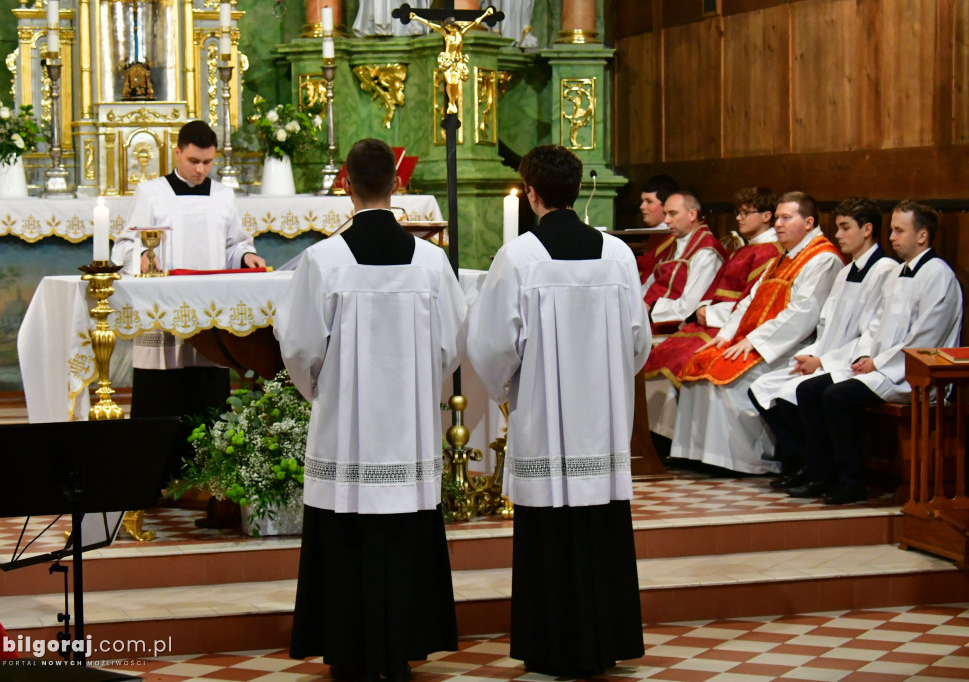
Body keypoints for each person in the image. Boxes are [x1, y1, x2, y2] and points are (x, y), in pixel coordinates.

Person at [279, 139, 466, 681]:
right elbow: (452, 344)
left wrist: (323, 392)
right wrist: (415, 386)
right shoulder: (431, 262)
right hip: (409, 428)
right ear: (398, 184)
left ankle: (348, 650)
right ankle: (403, 644)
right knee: (405, 530)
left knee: (347, 529)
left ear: (345, 184)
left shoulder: (324, 260)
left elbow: (299, 347)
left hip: (346, 431)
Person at [467, 144, 650, 677]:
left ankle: (552, 646)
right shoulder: (617, 254)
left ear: (531, 193)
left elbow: (492, 345)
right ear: (577, 188)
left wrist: (508, 393)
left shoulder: (520, 257)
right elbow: (638, 341)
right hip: (604, 424)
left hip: (545, 420)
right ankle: (605, 641)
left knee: (549, 530)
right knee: (601, 527)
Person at [111, 120, 265, 477]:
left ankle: (209, 480)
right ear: (177, 152)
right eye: (194, 160)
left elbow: (235, 244)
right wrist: (141, 257)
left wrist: (246, 257)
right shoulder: (151, 193)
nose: (200, 169)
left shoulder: (223, 196)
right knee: (161, 396)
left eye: (208, 162)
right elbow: (124, 245)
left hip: (209, 313)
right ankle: (151, 478)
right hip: (163, 314)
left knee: (207, 394)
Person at [787, 201, 963, 504]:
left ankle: (851, 482)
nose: (891, 237)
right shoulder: (897, 274)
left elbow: (926, 338)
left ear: (922, 236)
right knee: (810, 389)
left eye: (899, 231)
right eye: (892, 230)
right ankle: (821, 475)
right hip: (882, 368)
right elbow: (875, 326)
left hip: (914, 375)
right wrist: (864, 357)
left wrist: (878, 363)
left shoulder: (938, 275)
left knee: (836, 396)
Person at [671, 192, 843, 474]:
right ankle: (700, 453)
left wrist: (754, 341)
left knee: (725, 377)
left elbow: (802, 314)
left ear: (809, 222)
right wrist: (726, 334)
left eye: (786, 218)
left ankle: (742, 460)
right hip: (761, 340)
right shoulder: (784, 256)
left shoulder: (822, 258)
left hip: (790, 347)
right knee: (700, 363)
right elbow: (750, 300)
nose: (778, 224)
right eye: (778, 218)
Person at [748, 198, 898, 490]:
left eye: (845, 227)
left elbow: (873, 333)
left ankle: (820, 471)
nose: (838, 235)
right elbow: (826, 325)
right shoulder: (846, 271)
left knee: (805, 392)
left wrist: (824, 362)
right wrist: (811, 355)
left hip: (853, 362)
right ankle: (804, 462)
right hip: (827, 357)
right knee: (764, 387)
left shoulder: (884, 270)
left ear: (867, 229)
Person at [643, 187, 781, 438]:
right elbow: (716, 291)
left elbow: (755, 301)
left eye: (745, 213)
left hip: (729, 324)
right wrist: (704, 309)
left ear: (766, 216)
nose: (738, 218)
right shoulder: (745, 249)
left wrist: (710, 313)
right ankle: (657, 434)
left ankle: (666, 436)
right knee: (667, 352)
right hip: (712, 318)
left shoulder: (770, 252)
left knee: (682, 355)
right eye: (738, 212)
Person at [642, 191, 726, 323]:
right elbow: (649, 284)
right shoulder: (672, 244)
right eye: (665, 214)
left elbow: (689, 306)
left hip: (668, 324)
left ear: (692, 214)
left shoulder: (706, 251)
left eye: (673, 213)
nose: (666, 220)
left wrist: (651, 310)